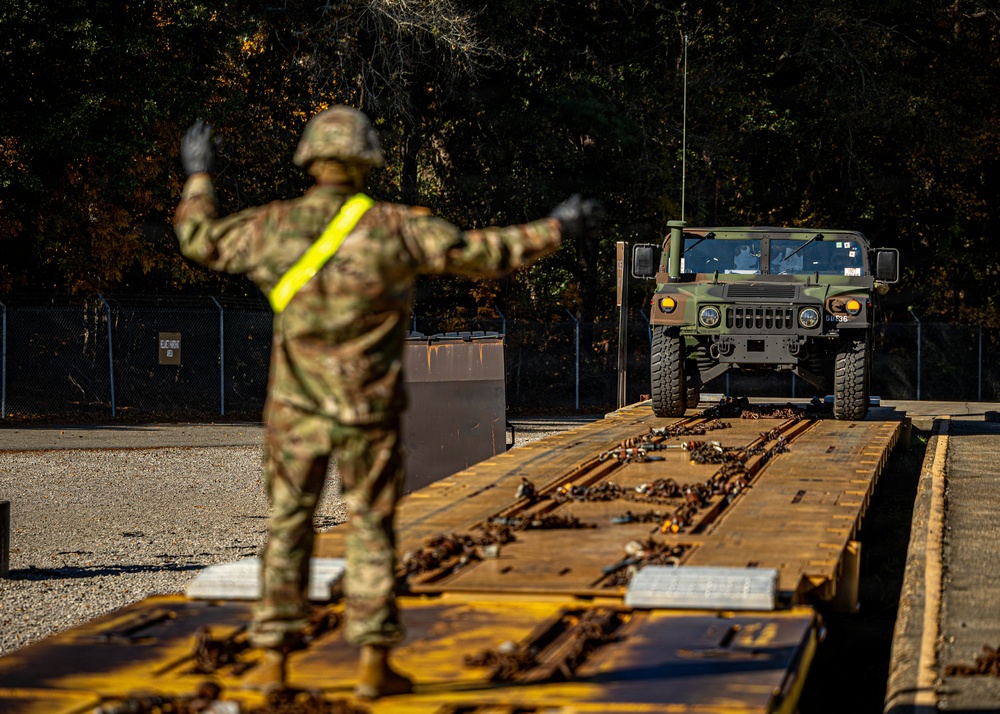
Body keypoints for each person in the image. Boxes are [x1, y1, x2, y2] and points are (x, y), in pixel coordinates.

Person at [173, 106, 602, 698]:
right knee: (371, 526)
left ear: (309, 159)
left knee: (288, 523)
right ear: (367, 161)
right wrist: (557, 227)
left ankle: (274, 660)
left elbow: (198, 238)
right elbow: (483, 253)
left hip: (295, 411)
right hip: (367, 411)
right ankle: (373, 664)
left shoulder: (270, 227)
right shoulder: (396, 227)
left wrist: (199, 175)